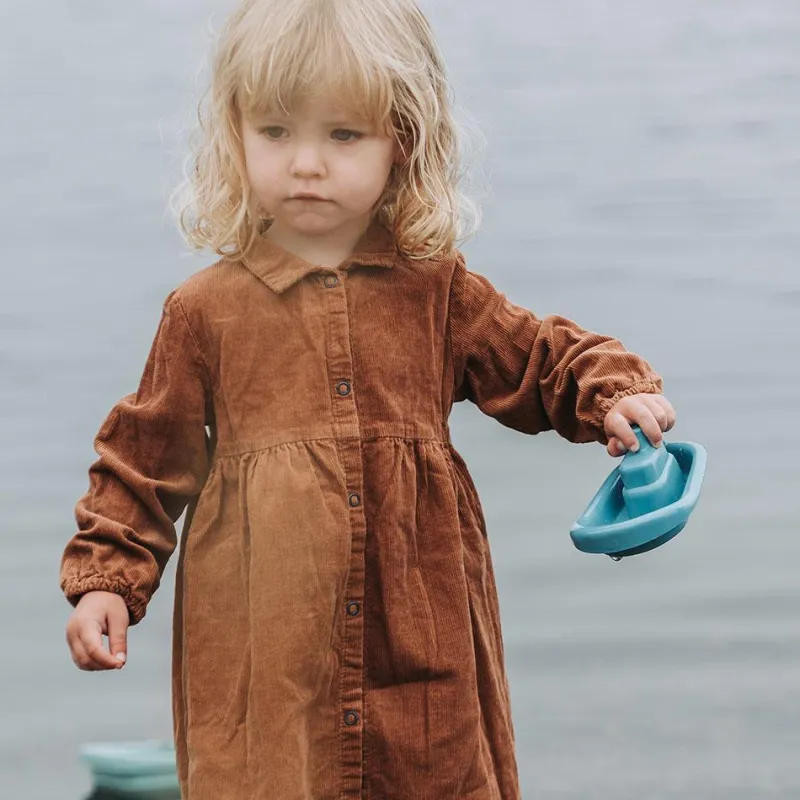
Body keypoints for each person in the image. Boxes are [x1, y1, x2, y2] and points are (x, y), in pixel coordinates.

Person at [60, 0, 676, 797]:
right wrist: (106, 580)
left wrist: (611, 393)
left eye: (343, 135)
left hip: (421, 635)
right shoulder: (205, 312)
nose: (305, 164)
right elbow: (143, 461)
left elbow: (538, 359)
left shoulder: (436, 291)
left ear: (402, 141)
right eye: (275, 132)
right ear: (235, 134)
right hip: (265, 649)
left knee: (435, 771)